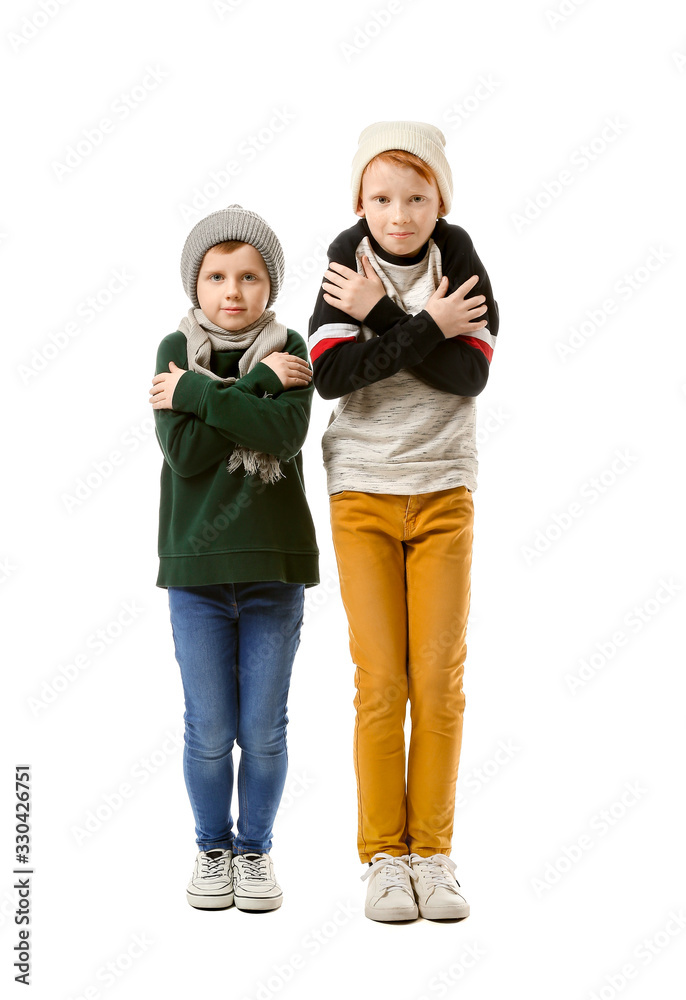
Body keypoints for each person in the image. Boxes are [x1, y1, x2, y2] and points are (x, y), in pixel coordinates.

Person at [307, 121, 499, 922]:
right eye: (382, 196)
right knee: (382, 685)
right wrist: (422, 324)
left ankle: (434, 855)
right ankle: (385, 857)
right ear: (361, 198)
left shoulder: (460, 258)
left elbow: (468, 375)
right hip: (363, 495)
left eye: (417, 197)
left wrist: (384, 314)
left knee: (439, 685)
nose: (399, 213)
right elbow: (331, 375)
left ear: (439, 200)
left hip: (444, 493)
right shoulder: (342, 259)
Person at [149, 203, 319, 912]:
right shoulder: (174, 349)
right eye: (217, 276)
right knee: (211, 729)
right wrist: (251, 387)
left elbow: (281, 441)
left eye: (249, 276)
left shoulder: (295, 346)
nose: (233, 291)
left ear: (269, 286)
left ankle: (255, 851)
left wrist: (199, 396)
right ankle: (211, 848)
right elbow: (183, 453)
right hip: (197, 570)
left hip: (274, 568)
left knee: (263, 729)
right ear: (196, 284)